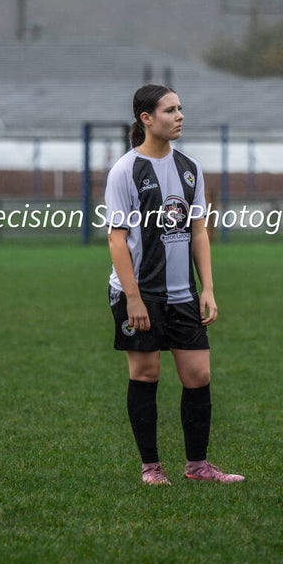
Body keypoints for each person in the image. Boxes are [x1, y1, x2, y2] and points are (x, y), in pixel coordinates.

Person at [105, 83, 244, 485]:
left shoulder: (190, 168)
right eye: (169, 110)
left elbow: (198, 230)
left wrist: (208, 288)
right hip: (140, 294)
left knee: (198, 375)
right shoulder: (125, 171)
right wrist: (133, 298)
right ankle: (151, 468)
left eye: (180, 108)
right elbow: (116, 240)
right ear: (147, 119)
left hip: (183, 294)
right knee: (146, 375)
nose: (179, 115)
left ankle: (198, 466)